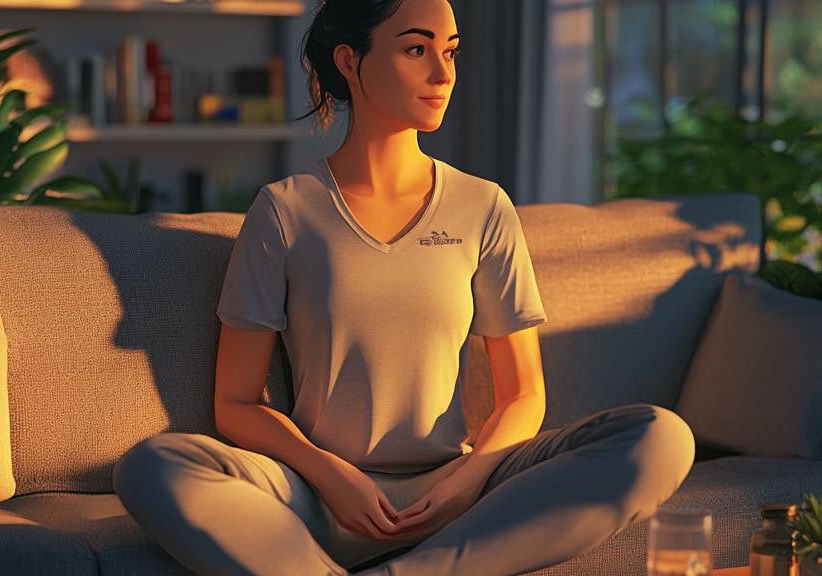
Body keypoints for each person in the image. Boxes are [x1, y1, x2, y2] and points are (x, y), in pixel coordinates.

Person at [112, 0, 697, 574]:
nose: (442, 74)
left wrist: (467, 484)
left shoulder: (483, 207)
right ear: (349, 60)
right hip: (316, 495)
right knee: (153, 466)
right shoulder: (285, 210)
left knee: (660, 436)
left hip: (455, 493)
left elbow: (524, 395)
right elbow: (236, 403)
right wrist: (329, 475)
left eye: (450, 52)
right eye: (416, 49)